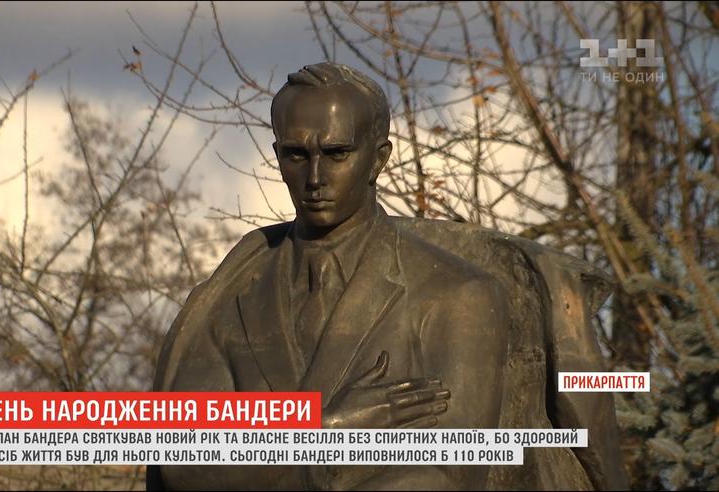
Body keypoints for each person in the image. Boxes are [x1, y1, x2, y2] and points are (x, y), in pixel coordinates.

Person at [150, 63, 627, 491]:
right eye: (296, 154)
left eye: (336, 153)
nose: (314, 177)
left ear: (378, 158)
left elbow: (443, 476)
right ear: (277, 155)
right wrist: (334, 428)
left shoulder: (457, 296)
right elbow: (186, 465)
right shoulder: (234, 293)